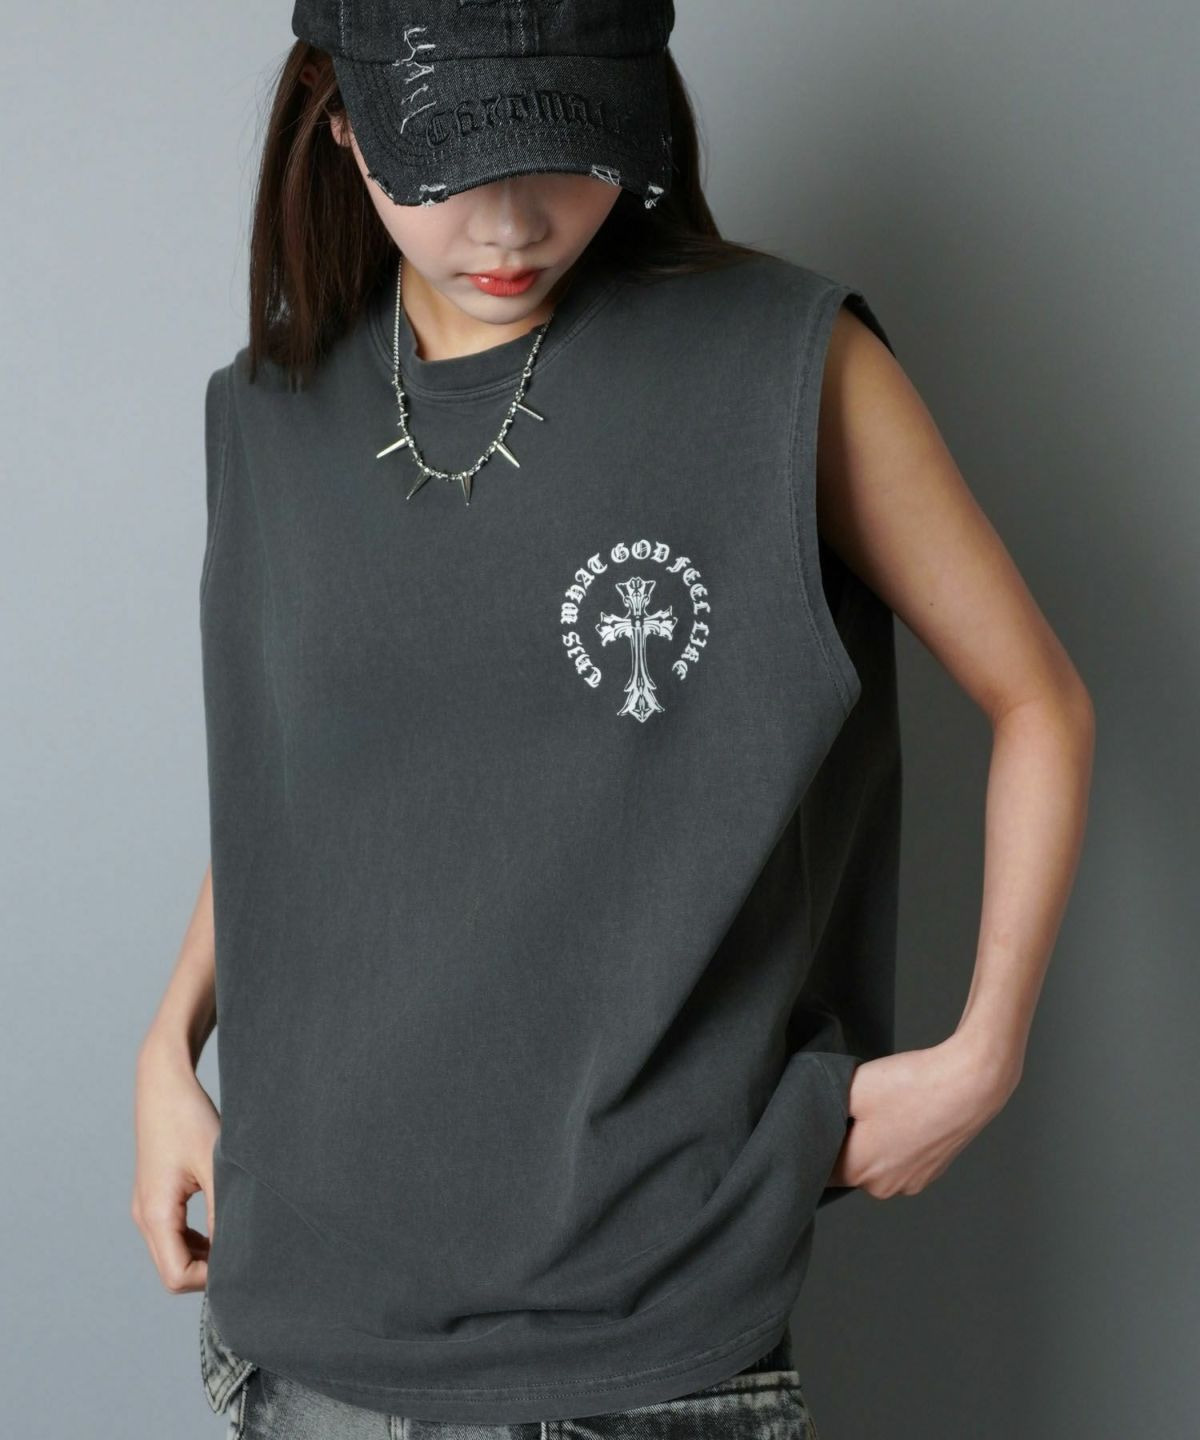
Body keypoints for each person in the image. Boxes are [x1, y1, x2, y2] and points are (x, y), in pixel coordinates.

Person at [131, 2, 1096, 1436]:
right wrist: (168, 1046)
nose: (512, 224)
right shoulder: (269, 411)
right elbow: (307, 802)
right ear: (339, 119)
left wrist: (985, 1054)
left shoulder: (782, 365)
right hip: (303, 1339)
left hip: (641, 1343)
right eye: (453, 163)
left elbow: (1040, 700)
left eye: (567, 152)